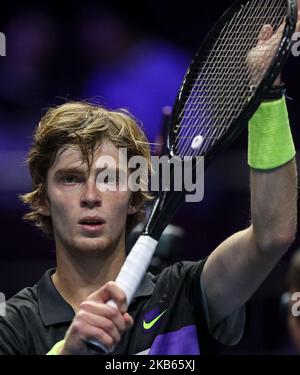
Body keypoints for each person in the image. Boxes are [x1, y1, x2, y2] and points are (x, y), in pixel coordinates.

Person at [0, 17, 299, 354]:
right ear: (42, 198)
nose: (90, 196)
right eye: (71, 179)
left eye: (109, 178)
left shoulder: (185, 293)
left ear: (133, 199)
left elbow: (272, 235)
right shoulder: (12, 326)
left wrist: (268, 94)